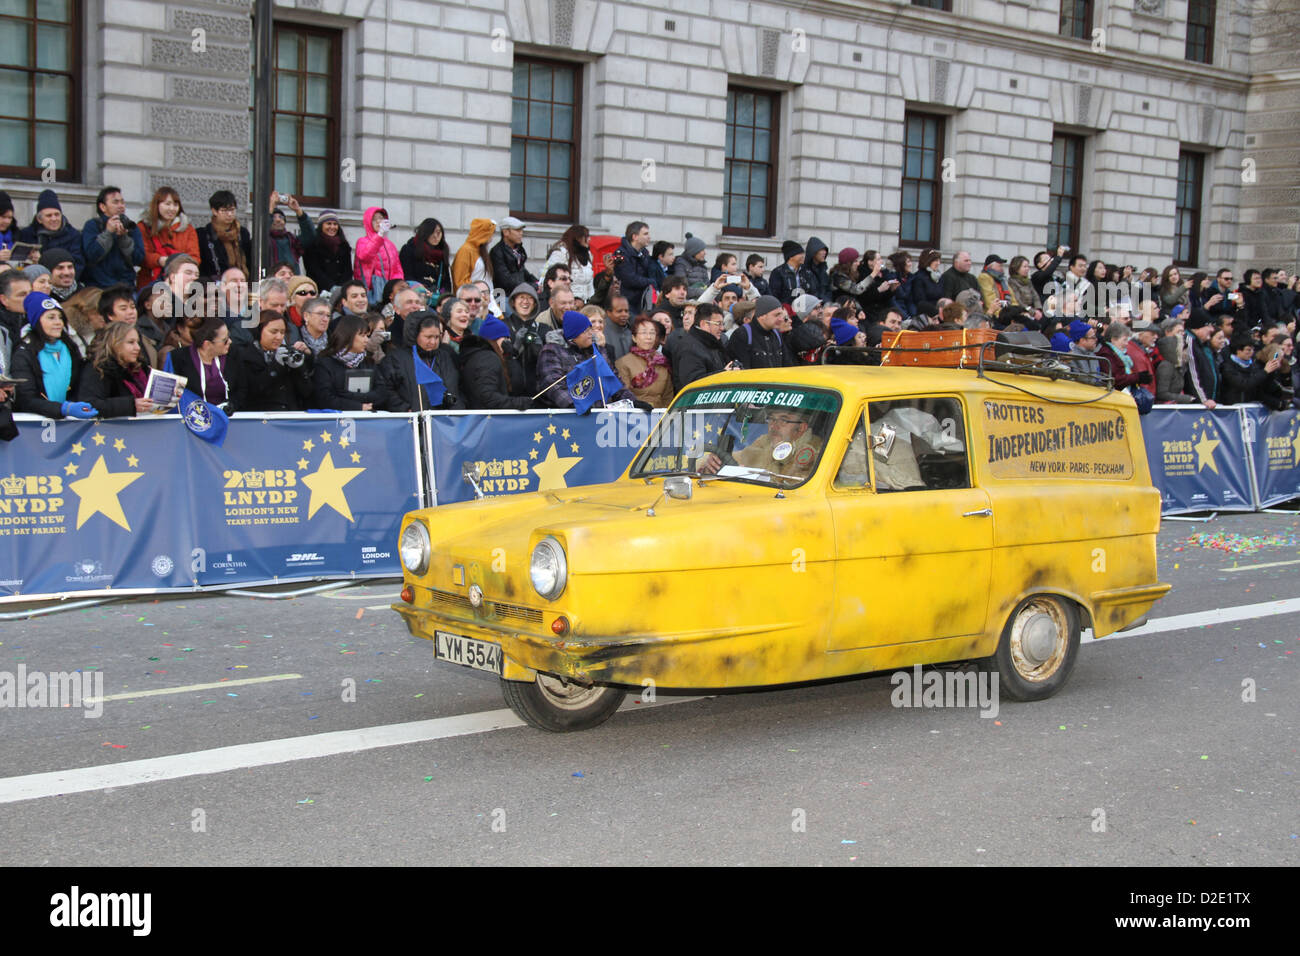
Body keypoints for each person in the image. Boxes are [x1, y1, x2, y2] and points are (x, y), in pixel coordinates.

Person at [535, 310, 642, 409]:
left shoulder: (598, 351)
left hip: (599, 416)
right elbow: (552, 384)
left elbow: (613, 381)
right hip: (566, 419)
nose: (591, 333)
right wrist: (573, 404)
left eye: (590, 329)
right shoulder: (552, 351)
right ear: (574, 335)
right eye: (586, 331)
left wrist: (631, 402)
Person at [12, 292, 93, 421]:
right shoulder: (24, 353)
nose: (58, 323)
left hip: (71, 425)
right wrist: (63, 409)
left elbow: (80, 384)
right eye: (51, 317)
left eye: (60, 317)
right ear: (36, 321)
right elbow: (26, 399)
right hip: (35, 427)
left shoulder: (70, 347)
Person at [77, 321, 179, 418]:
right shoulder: (97, 369)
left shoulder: (139, 368)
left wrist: (168, 393)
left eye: (138, 342)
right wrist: (131, 405)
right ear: (114, 344)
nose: (138, 348)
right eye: (131, 342)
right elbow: (89, 404)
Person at [698, 407, 823, 481]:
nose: (774, 425)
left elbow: (792, 488)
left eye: (783, 420)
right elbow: (739, 458)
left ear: (801, 428)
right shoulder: (765, 442)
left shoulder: (814, 451)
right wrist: (712, 464)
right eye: (772, 419)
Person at [229, 311, 314, 412]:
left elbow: (306, 392)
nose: (279, 337)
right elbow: (250, 391)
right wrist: (275, 367)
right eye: (273, 332)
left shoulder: (287, 352)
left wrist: (299, 368)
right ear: (259, 330)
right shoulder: (245, 355)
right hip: (259, 416)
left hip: (290, 414)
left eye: (282, 332)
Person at [458, 315, 537, 410]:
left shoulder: (485, 356)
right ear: (494, 339)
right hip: (487, 421)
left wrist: (510, 357)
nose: (509, 341)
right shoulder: (487, 358)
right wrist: (517, 403)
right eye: (505, 338)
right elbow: (488, 397)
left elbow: (516, 385)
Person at [312, 313, 384, 411]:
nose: (366, 340)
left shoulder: (368, 361)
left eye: (367, 336)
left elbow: (382, 393)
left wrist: (350, 396)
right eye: (362, 336)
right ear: (348, 336)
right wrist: (358, 407)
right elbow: (324, 398)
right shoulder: (325, 362)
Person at [137, 186, 199, 290]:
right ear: (157, 205)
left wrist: (178, 263)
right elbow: (141, 255)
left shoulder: (187, 228)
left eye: (175, 204)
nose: (172, 208)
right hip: (151, 283)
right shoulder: (143, 226)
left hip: (180, 284)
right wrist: (159, 260)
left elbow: (195, 256)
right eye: (167, 204)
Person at [170, 317, 239, 410]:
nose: (230, 341)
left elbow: (241, 389)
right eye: (225, 340)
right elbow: (172, 396)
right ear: (207, 344)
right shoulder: (177, 359)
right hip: (192, 417)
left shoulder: (233, 354)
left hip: (228, 416)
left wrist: (232, 407)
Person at [18, 189, 85, 279]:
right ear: (39, 219)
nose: (54, 219)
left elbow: (78, 264)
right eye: (49, 215)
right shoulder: (27, 234)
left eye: (57, 214)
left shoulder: (73, 235)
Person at [616, 315, 674, 408]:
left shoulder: (662, 362)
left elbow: (668, 395)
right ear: (634, 338)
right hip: (634, 414)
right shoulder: (624, 363)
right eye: (643, 333)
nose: (648, 337)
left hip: (659, 415)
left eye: (652, 333)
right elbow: (622, 395)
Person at [195, 189, 251, 281]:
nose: (229, 214)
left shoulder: (243, 233)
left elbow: (249, 260)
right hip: (214, 288)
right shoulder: (203, 235)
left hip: (241, 283)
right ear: (214, 211)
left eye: (232, 210)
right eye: (224, 210)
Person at [354, 206, 403, 304]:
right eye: (374, 219)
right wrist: (379, 235)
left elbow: (397, 269)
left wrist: (397, 286)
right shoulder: (362, 241)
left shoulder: (390, 245)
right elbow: (365, 256)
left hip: (389, 290)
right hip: (371, 290)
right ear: (368, 222)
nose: (378, 222)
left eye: (381, 218)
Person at [728, 295, 791, 369]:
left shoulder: (777, 334)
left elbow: (787, 365)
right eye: (776, 315)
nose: (781, 319)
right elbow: (742, 371)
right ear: (761, 316)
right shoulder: (742, 335)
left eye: (781, 314)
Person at [399, 217, 453, 299]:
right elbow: (406, 276)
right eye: (432, 233)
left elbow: (446, 283)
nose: (435, 236)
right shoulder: (409, 249)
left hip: (436, 299)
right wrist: (422, 289)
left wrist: (440, 295)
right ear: (424, 233)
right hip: (415, 297)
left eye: (438, 232)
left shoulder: (442, 253)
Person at [301, 211, 354, 292]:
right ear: (321, 226)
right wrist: (331, 287)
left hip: (341, 290)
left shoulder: (344, 246)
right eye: (328, 223)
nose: (332, 227)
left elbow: (348, 271)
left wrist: (342, 287)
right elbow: (314, 270)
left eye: (335, 224)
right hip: (320, 290)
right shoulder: (312, 245)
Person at [1220, 335, 1281, 405]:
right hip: (1233, 408)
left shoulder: (1254, 366)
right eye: (1248, 350)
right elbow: (1244, 384)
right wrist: (1265, 371)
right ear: (1238, 351)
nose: (1251, 352)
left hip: (1251, 408)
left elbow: (1262, 388)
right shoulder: (1228, 367)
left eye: (1253, 350)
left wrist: (1271, 372)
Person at [266, 191, 314, 273]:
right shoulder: (264, 239)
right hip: (271, 282)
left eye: (281, 217)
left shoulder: (292, 240)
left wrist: (298, 210)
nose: (277, 220)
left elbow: (310, 235)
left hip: (291, 281)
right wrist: (271, 207)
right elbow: (263, 230)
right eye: (273, 217)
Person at [544, 224, 593, 303]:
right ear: (577, 238)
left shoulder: (588, 255)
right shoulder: (560, 254)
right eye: (586, 236)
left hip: (584, 303)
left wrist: (591, 300)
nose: (589, 239)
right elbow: (547, 276)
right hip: (566, 302)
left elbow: (590, 284)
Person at [487, 216, 535, 294]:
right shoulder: (497, 252)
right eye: (517, 230)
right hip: (503, 296)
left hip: (518, 294)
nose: (521, 233)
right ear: (505, 232)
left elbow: (523, 271)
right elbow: (505, 280)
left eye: (521, 230)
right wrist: (531, 286)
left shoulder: (518, 250)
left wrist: (536, 282)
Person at [1183, 309, 1220, 408]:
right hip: (1199, 404)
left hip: (1210, 401)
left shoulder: (1204, 344)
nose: (1212, 329)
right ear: (1198, 327)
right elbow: (1192, 373)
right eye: (1208, 326)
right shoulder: (1189, 341)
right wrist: (1203, 400)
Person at [614, 221, 654, 311]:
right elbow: (629, 279)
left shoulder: (645, 253)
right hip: (626, 303)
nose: (649, 237)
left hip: (642, 301)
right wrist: (651, 281)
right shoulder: (621, 254)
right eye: (645, 234)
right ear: (635, 237)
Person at [452, 217, 496, 291]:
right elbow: (460, 281)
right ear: (483, 234)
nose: (492, 237)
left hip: (486, 298)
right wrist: (476, 294)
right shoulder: (465, 251)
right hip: (473, 299)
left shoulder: (481, 251)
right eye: (491, 234)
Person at [768, 241, 807, 305]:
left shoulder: (806, 272)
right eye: (800, 253)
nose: (803, 256)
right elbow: (774, 296)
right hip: (786, 311)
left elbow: (813, 292)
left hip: (804, 310)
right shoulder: (778, 273)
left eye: (803, 253)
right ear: (791, 256)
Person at [672, 233, 710, 298]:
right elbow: (681, 287)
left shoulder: (702, 267)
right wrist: (702, 292)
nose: (705, 253)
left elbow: (708, 285)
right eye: (702, 250)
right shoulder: (681, 264)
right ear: (694, 251)